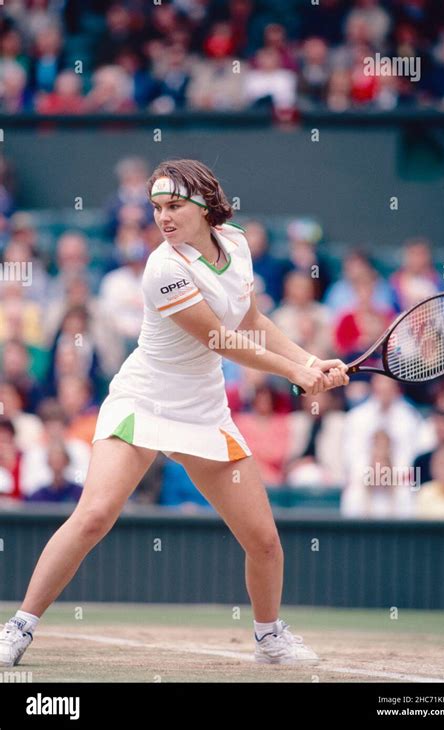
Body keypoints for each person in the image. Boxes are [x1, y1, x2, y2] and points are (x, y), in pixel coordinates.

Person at [0, 159, 349, 667]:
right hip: (143, 402)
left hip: (204, 410)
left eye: (174, 207)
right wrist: (294, 374)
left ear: (206, 206)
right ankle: (18, 628)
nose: (163, 218)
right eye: (157, 208)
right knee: (94, 515)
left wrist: (310, 360)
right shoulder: (163, 268)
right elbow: (220, 338)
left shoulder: (237, 245)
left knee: (265, 541)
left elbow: (250, 319)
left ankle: (269, 638)